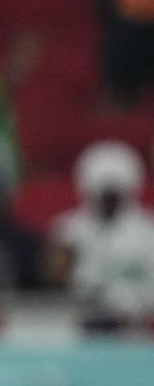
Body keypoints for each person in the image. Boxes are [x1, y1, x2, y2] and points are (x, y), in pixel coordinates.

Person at [46, 140, 154, 330]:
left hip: (136, 325)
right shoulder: (69, 229)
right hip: (81, 321)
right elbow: (55, 282)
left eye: (115, 194)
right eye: (105, 194)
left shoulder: (147, 231)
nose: (109, 202)